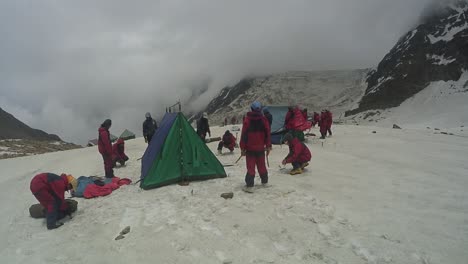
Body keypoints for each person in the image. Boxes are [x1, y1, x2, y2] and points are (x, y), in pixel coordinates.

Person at [240, 101, 272, 192]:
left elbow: (244, 136)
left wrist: (242, 148)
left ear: (252, 109)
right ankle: (264, 182)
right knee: (261, 166)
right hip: (260, 148)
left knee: (251, 167)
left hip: (250, 149)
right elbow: (267, 134)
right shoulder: (264, 120)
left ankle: (250, 186)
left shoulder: (247, 120)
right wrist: (268, 145)